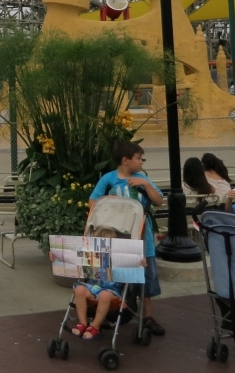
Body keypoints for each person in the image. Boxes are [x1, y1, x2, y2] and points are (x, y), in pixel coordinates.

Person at [89, 141, 165, 337]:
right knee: (117, 275)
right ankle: (113, 311)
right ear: (125, 160)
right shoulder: (109, 179)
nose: (141, 162)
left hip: (143, 240)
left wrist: (146, 185)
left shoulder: (142, 179)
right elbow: (93, 201)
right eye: (139, 158)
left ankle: (148, 316)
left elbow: (159, 201)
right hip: (117, 240)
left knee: (146, 277)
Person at [49, 226, 134, 340]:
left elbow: (132, 268)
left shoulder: (118, 259)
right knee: (79, 290)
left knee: (104, 295)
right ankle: (83, 323)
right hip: (92, 288)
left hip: (111, 291)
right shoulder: (89, 256)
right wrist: (56, 257)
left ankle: (95, 326)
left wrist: (140, 262)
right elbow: (70, 259)